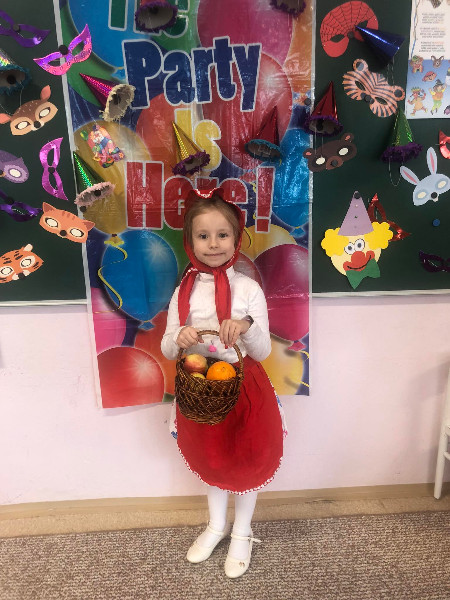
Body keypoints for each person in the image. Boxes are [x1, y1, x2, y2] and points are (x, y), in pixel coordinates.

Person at [161, 187, 286, 579]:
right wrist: (179, 336)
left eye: (222, 234)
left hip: (244, 389)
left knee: (246, 459)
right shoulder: (183, 291)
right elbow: (167, 347)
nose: (213, 244)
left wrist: (247, 327)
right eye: (203, 235)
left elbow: (263, 351)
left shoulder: (248, 289)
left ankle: (242, 531)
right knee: (212, 457)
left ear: (236, 238)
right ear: (190, 240)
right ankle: (217, 525)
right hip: (200, 391)